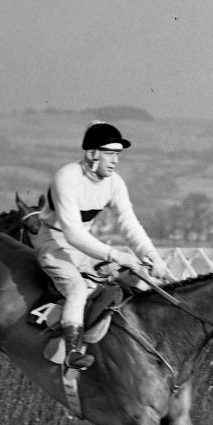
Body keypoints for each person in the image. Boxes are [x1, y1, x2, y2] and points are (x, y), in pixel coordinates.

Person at [32, 122, 168, 370]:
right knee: (77, 288)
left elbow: (129, 224)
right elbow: (72, 233)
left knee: (134, 278)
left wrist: (151, 255)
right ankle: (72, 352)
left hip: (84, 246)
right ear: (92, 153)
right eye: (110, 153)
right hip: (53, 241)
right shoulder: (67, 177)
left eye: (118, 154)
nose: (115, 160)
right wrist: (117, 255)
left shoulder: (115, 183)